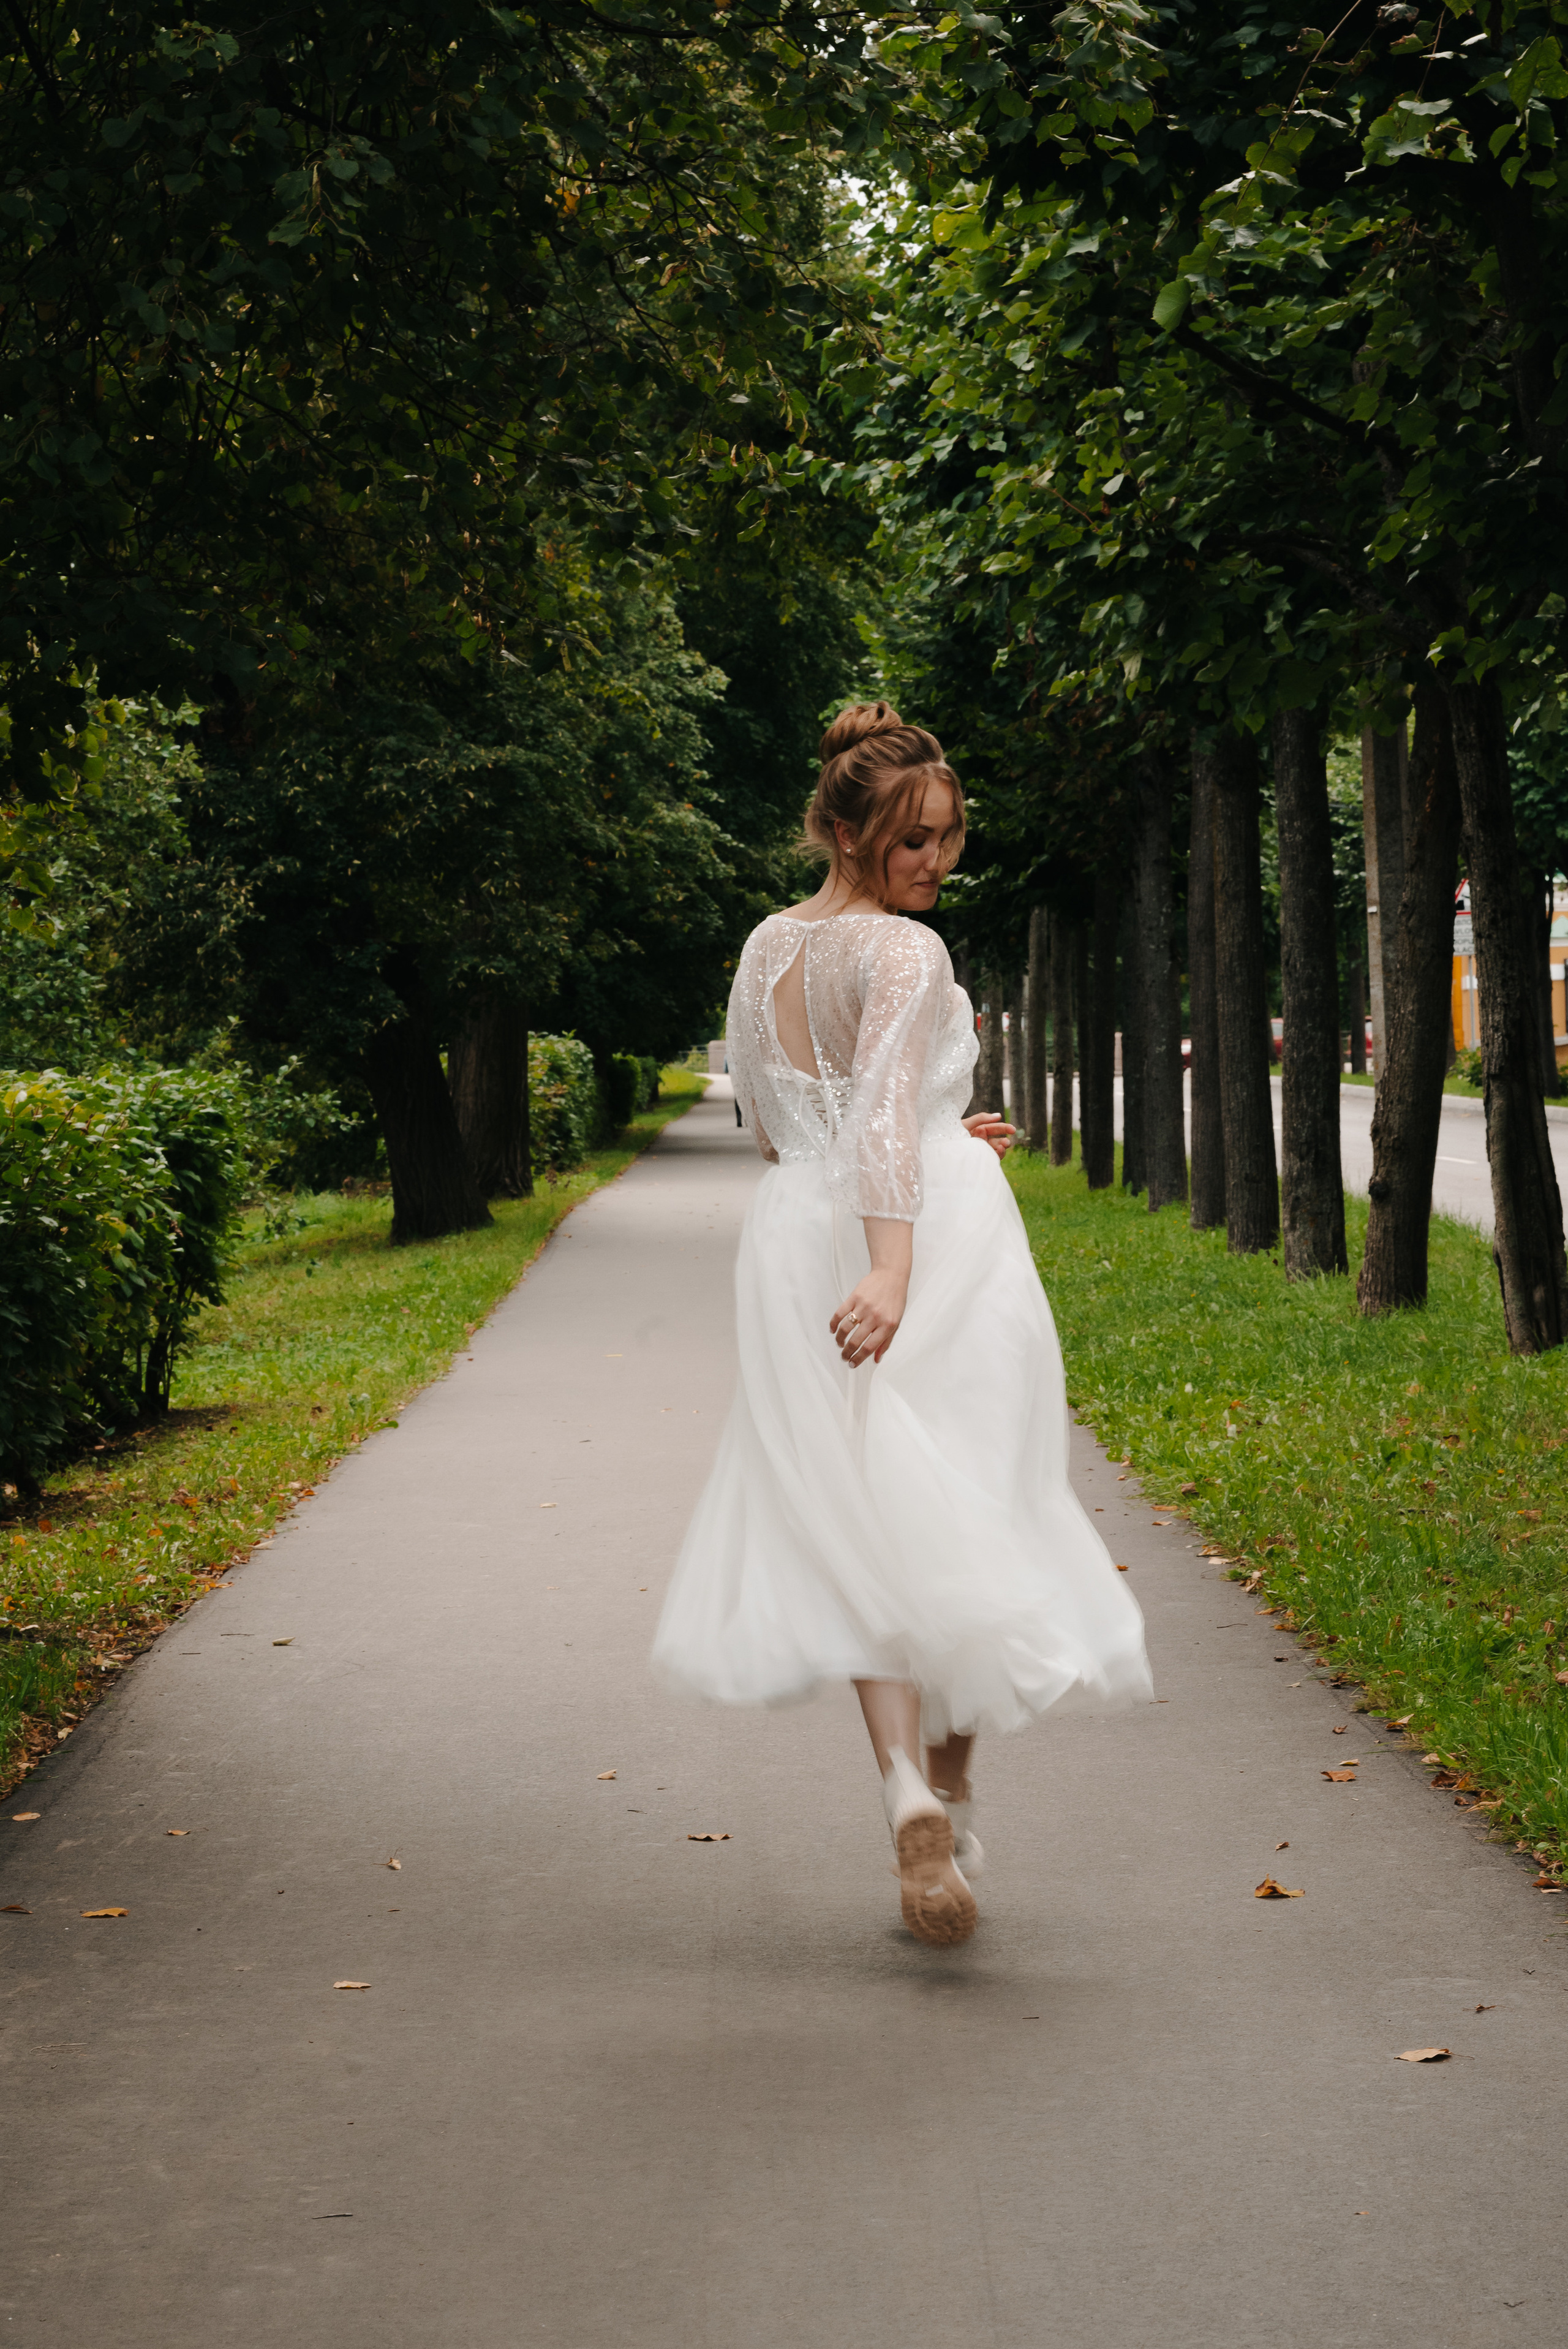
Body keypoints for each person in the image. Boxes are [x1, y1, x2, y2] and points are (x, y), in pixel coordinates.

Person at [653, 703, 1152, 1945]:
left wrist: (948, 1123)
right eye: (909, 840)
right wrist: (890, 1263)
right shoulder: (905, 956)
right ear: (839, 830)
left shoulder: (766, 947)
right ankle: (956, 1784)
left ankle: (902, 1790)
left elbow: (776, 1126)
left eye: (946, 837)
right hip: (922, 1248)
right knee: (979, 1500)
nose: (933, 861)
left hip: (789, 1239)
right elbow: (878, 1121)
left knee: (862, 1516)